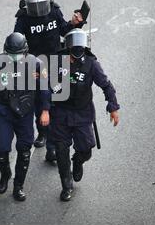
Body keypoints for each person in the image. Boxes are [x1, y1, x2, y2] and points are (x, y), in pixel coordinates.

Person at [14, 0, 85, 164]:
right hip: (35, 65)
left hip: (56, 60)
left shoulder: (54, 11)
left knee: (55, 103)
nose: (38, 11)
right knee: (39, 102)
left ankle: (52, 146)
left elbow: (64, 30)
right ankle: (43, 133)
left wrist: (75, 23)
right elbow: (17, 43)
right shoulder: (23, 18)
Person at [50, 28, 120, 201]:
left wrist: (113, 107)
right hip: (60, 113)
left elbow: (106, 85)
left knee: (86, 149)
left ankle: (78, 161)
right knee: (60, 150)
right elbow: (46, 84)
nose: (75, 57)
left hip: (82, 113)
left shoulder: (91, 64)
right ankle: (66, 185)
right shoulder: (56, 62)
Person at [0, 32, 50, 201]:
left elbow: (45, 88)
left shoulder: (36, 64)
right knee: (0, 148)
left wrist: (45, 110)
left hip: (25, 113)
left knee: (24, 151)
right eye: (11, 54)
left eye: (18, 54)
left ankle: (18, 186)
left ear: (25, 51)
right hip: (5, 111)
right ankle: (5, 174)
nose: (14, 57)